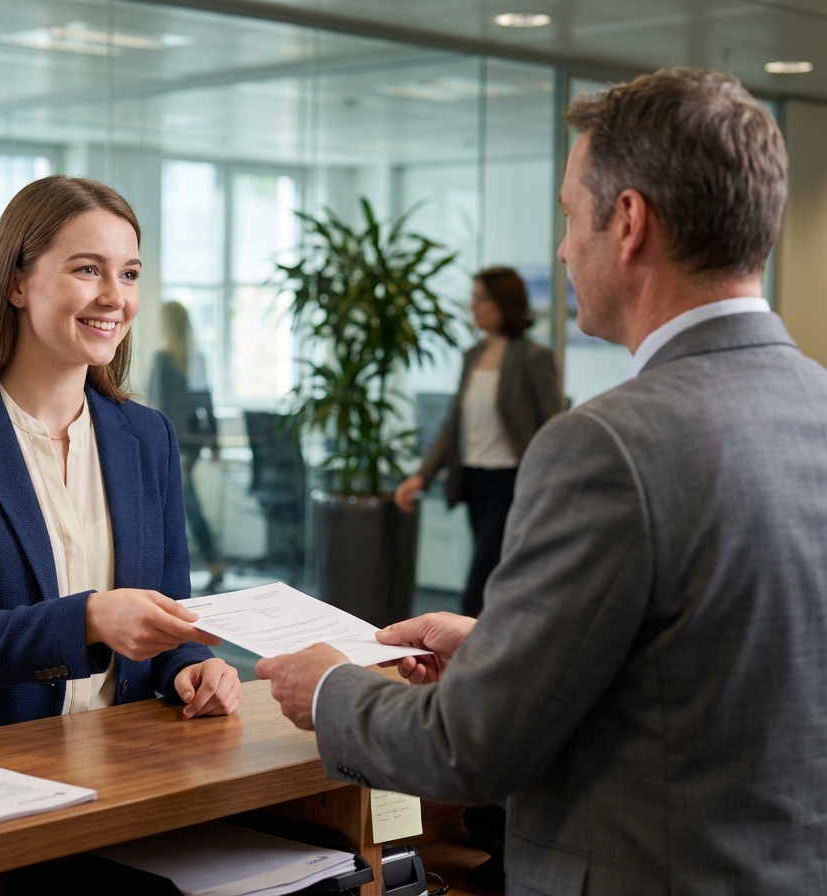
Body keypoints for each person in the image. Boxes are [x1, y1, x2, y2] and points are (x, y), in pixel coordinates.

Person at [257, 68, 827, 893]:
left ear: (627, 222)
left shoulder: (605, 446)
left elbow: (471, 748)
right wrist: (500, 650)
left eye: (569, 215)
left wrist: (328, 691)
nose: (562, 247)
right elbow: (717, 666)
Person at [0, 175, 242, 744]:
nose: (115, 298)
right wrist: (90, 619)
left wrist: (191, 667)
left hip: (124, 758)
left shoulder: (149, 437)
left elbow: (175, 616)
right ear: (17, 284)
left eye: (129, 274)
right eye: (87, 269)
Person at [394, 268, 561, 617]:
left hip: (510, 482)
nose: (473, 306)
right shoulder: (473, 355)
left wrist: (553, 484)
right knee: (490, 576)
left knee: (481, 582)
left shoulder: (532, 357)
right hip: (473, 480)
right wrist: (421, 476)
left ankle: (466, 656)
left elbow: (554, 425)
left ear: (504, 302)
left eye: (480, 298)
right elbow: (452, 425)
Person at [150, 301, 224, 590]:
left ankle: (201, 564)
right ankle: (213, 561)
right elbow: (207, 403)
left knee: (180, 505)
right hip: (191, 443)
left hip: (171, 442)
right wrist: (214, 441)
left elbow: (153, 404)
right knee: (185, 504)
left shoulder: (162, 358)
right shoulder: (195, 359)